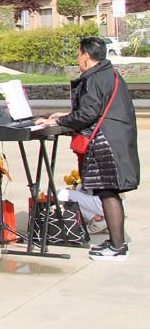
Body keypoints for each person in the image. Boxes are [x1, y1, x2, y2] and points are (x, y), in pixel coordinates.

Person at [38, 37, 139, 262]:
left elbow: (88, 114)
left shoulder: (94, 78)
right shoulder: (109, 73)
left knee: (107, 191)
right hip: (116, 139)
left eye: (78, 54)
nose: (78, 59)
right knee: (109, 191)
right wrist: (62, 117)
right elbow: (93, 108)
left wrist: (59, 122)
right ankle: (115, 241)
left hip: (106, 143)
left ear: (85, 55)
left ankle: (117, 247)